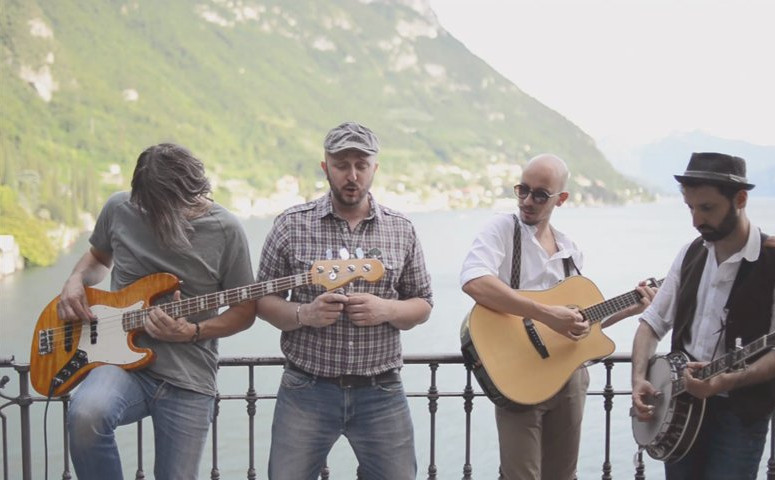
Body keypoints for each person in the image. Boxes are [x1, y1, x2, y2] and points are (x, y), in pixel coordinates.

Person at [58, 143, 257, 479]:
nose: (154, 215)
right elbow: (98, 258)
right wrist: (75, 279)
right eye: (147, 207)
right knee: (85, 416)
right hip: (119, 363)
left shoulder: (226, 230)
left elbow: (245, 310)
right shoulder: (121, 208)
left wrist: (193, 331)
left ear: (192, 193)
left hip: (188, 376)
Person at [459, 153, 656, 480]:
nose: (527, 200)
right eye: (523, 189)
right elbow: (475, 281)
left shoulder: (570, 251)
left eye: (540, 194)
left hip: (568, 378)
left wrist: (629, 309)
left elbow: (578, 328)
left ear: (560, 199)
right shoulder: (503, 229)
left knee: (563, 476)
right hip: (518, 374)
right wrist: (545, 314)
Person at [256, 121, 433, 480]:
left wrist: (387, 310)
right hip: (306, 388)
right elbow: (263, 302)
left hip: (381, 389)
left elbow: (424, 303)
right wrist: (305, 313)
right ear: (325, 167)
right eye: (341, 165)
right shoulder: (291, 224)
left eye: (361, 165)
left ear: (375, 169)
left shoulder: (402, 229)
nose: (352, 175)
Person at [630, 152, 775, 480]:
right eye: (691, 208)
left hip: (741, 416)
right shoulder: (689, 253)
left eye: (707, 208)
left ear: (740, 199)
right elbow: (651, 323)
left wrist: (731, 380)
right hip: (679, 407)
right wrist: (639, 378)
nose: (696, 220)